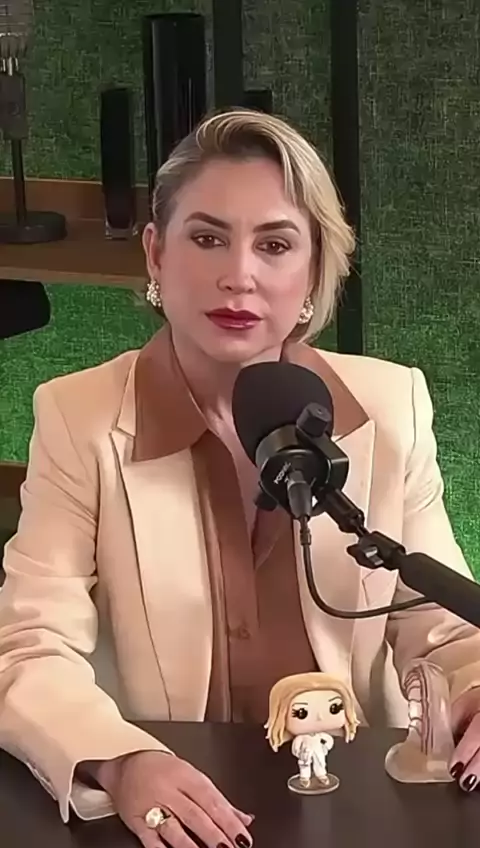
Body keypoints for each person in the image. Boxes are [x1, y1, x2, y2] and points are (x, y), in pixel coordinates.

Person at [0, 107, 480, 848]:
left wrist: (475, 690)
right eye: (207, 238)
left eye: (276, 244)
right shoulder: (78, 417)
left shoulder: (392, 405)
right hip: (175, 804)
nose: (239, 276)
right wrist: (121, 761)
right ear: (156, 254)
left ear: (314, 270)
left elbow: (439, 623)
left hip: (356, 802)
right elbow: (29, 643)